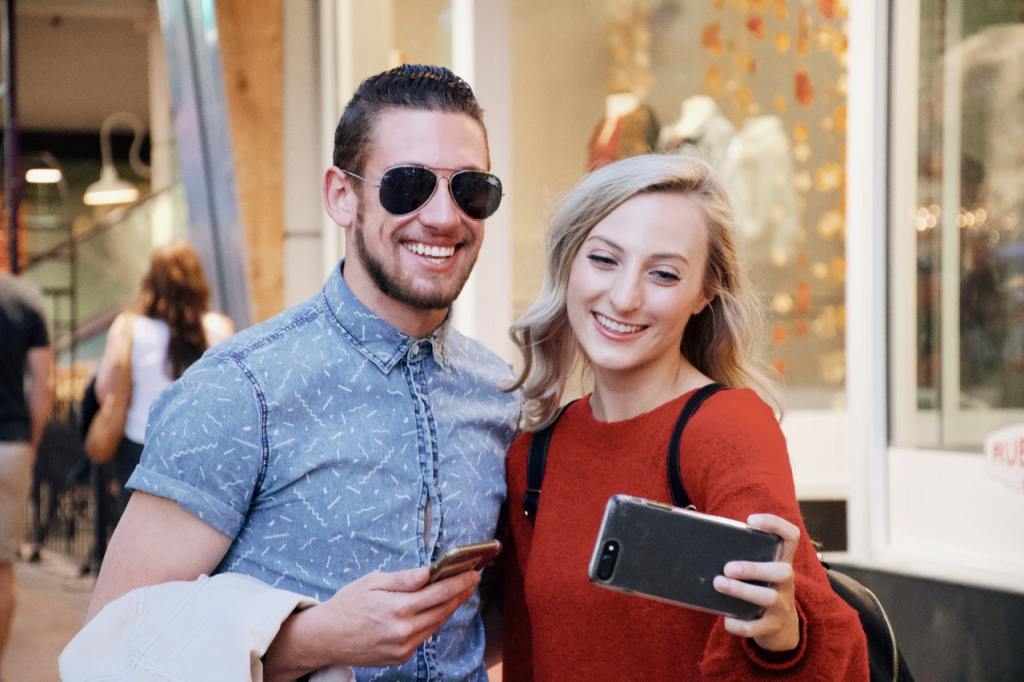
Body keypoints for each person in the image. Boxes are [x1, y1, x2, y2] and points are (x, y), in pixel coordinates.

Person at [84, 64, 519, 681]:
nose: (445, 217)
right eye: (408, 185)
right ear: (341, 196)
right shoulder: (240, 389)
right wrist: (314, 639)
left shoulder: (499, 394)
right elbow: (111, 650)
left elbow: (476, 630)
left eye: (470, 189)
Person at [501, 154, 868, 679]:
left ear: (705, 293)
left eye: (664, 274)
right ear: (568, 263)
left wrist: (781, 635)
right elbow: (526, 652)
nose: (625, 297)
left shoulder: (726, 430)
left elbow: (818, 641)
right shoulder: (535, 453)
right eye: (604, 259)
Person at [93, 242, 234, 519]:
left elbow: (104, 390)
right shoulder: (220, 328)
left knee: (138, 530)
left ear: (150, 282)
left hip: (140, 447)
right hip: (201, 451)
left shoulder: (129, 327)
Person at [0, 272, 53, 669]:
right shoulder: (26, 299)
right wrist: (30, 445)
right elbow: (42, 386)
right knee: (2, 568)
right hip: (10, 444)